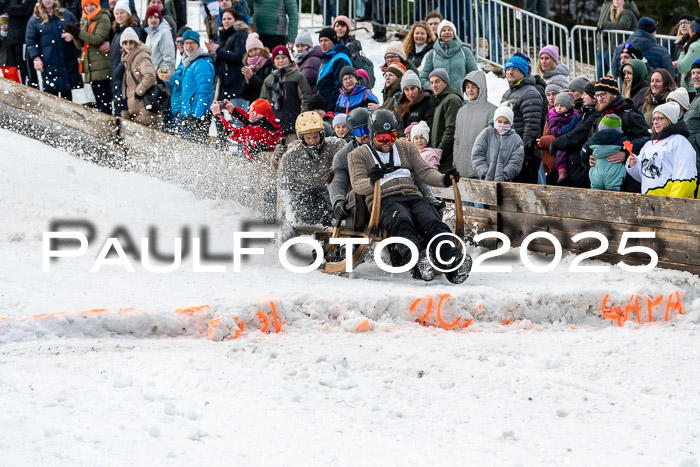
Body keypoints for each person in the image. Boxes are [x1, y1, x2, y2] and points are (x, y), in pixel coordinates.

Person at [347, 109, 471, 284]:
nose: (387, 143)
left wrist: (443, 179)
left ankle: (453, 260)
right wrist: (371, 181)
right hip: (384, 200)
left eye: (391, 137)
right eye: (382, 138)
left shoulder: (405, 147)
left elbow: (424, 171)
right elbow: (357, 183)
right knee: (403, 221)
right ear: (372, 135)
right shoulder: (357, 155)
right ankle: (418, 261)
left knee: (431, 220)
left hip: (412, 195)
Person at [278, 111, 346, 226]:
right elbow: (286, 191)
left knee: (314, 194)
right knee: (271, 194)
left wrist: (335, 170)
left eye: (316, 137)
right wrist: (288, 218)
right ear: (301, 138)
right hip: (304, 206)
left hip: (332, 202)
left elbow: (349, 162)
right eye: (308, 138)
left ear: (322, 134)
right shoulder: (290, 156)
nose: (313, 142)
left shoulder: (337, 145)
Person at [588, 76, 650, 192]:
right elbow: (590, 143)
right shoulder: (598, 118)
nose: (599, 99)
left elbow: (647, 139)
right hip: (600, 182)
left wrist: (626, 154)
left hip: (627, 182)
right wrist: (589, 157)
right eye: (597, 95)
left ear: (614, 94)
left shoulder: (629, 115)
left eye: (603, 94)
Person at [627, 102, 698, 197]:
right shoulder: (648, 145)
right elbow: (644, 176)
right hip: (650, 202)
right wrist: (634, 165)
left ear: (669, 120)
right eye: (654, 118)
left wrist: (673, 202)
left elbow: (685, 175)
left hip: (669, 203)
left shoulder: (679, 142)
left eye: (660, 118)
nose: (655, 122)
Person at [159, 29, 214, 144]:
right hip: (187, 115)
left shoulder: (202, 63)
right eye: (186, 43)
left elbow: (205, 92)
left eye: (192, 43)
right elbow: (183, 87)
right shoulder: (188, 63)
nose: (189, 46)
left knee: (198, 153)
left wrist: (198, 117)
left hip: (197, 116)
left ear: (197, 44)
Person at [501, 53, 545, 184]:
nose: (510, 72)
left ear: (523, 72)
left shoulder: (530, 92)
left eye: (515, 69)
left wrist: (524, 155)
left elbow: (531, 127)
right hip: (510, 154)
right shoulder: (507, 93)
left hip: (526, 157)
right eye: (508, 69)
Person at [24, 0, 81, 99]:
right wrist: (36, 58)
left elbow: (78, 28)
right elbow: (31, 41)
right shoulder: (35, 19)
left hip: (66, 58)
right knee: (52, 93)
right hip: (49, 61)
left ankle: (68, 114)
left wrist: (72, 35)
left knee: (67, 93)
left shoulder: (65, 14)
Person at [63, 0, 112, 114]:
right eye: (86, 6)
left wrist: (78, 32)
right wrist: (75, 35)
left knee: (105, 102)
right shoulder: (85, 19)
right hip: (91, 67)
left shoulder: (103, 18)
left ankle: (108, 127)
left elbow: (97, 39)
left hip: (102, 65)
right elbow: (80, 45)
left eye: (91, 5)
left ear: (97, 5)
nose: (89, 8)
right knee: (98, 103)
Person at [549, 83, 601, 188]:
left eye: (585, 94)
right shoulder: (584, 113)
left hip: (581, 168)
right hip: (574, 165)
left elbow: (576, 136)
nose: (582, 97)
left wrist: (555, 143)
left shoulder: (593, 115)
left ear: (594, 97)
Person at [453, 70, 496, 180]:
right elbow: (457, 140)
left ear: (481, 88)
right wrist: (455, 162)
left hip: (481, 171)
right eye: (467, 87)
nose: (470, 90)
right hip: (461, 170)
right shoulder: (461, 111)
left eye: (474, 86)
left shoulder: (492, 111)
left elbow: (493, 144)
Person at [260, 44, 311, 135]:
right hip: (274, 126)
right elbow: (263, 102)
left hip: (295, 124)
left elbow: (306, 98)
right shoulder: (269, 80)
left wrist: (303, 117)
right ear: (273, 61)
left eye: (283, 57)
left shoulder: (298, 76)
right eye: (277, 58)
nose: (280, 61)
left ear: (289, 59)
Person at [213, 97, 282, 159]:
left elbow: (228, 131)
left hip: (259, 166)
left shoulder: (256, 131)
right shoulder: (270, 121)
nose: (248, 113)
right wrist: (233, 109)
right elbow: (251, 119)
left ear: (257, 116)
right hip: (268, 157)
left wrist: (217, 115)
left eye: (250, 111)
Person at [419, 19, 478, 91]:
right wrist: (433, 89)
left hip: (461, 99)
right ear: (439, 34)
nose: (447, 32)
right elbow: (424, 78)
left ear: (454, 33)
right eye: (443, 30)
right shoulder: (432, 54)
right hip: (440, 99)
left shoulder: (465, 51)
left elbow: (475, 75)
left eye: (449, 30)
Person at [120, 27, 161, 128]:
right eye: (125, 43)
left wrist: (138, 92)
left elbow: (150, 76)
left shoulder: (141, 56)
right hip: (138, 107)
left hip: (146, 107)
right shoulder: (129, 58)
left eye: (131, 42)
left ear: (136, 43)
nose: (128, 45)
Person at [471, 105, 524, 182]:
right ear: (495, 120)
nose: (502, 125)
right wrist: (484, 173)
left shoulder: (516, 139)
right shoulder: (486, 133)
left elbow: (516, 161)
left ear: (511, 123)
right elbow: (477, 155)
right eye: (499, 121)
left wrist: (505, 175)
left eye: (506, 122)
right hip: (485, 181)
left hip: (506, 183)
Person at [611, 17, 675, 80]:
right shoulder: (661, 51)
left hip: (626, 88)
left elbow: (614, 71)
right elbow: (670, 74)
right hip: (652, 88)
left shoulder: (619, 49)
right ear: (653, 31)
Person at [207, 7, 248, 105]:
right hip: (225, 85)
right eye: (224, 19)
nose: (226, 21)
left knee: (238, 117)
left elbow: (240, 57)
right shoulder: (222, 37)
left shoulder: (240, 35)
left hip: (238, 84)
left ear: (236, 20)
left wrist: (218, 50)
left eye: (229, 19)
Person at [109, 0, 143, 115]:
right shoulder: (118, 31)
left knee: (125, 112)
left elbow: (132, 54)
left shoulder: (132, 30)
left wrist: (119, 69)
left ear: (128, 14)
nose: (119, 16)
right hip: (118, 77)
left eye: (122, 13)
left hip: (126, 76)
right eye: (117, 13)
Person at [428, 67, 463, 173]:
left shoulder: (451, 99)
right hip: (441, 155)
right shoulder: (441, 100)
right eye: (431, 82)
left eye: (437, 81)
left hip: (448, 157)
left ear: (446, 83)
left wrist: (439, 152)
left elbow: (451, 129)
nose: (434, 85)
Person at [582, 114, 629, 191]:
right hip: (614, 174)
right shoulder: (622, 140)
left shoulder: (592, 140)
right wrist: (626, 154)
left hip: (596, 174)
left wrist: (588, 157)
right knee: (615, 194)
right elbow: (633, 147)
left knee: (595, 194)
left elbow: (583, 152)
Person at [595, 0, 639, 79]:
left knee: (617, 73)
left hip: (621, 48)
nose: (617, 0)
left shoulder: (627, 12)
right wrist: (600, 43)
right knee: (601, 73)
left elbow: (622, 26)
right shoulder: (612, 8)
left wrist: (604, 25)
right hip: (610, 47)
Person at [545, 92, 580, 183]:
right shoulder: (553, 118)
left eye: (562, 105)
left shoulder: (575, 114)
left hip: (572, 141)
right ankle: (562, 173)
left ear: (568, 106)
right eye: (557, 105)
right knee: (561, 154)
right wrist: (568, 128)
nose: (558, 108)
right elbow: (556, 132)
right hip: (561, 140)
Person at [0, 0, 35, 86]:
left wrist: (8, 8)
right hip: (10, 38)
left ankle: (29, 89)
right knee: (9, 68)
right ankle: (13, 91)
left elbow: (25, 10)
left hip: (23, 38)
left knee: (25, 68)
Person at [316, 27, 351, 112]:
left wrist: (330, 110)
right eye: (321, 41)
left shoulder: (340, 59)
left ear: (334, 41)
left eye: (326, 40)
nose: (323, 44)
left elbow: (339, 87)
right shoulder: (326, 58)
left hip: (334, 109)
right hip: (324, 107)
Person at [395, 69, 435, 134]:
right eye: (406, 89)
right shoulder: (400, 104)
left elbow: (430, 128)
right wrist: (401, 138)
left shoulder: (427, 102)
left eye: (413, 88)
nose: (410, 93)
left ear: (418, 88)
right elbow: (397, 127)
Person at [239, 32, 272, 102]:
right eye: (250, 51)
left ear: (261, 49)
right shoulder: (250, 67)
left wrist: (252, 77)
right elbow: (245, 96)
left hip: (267, 105)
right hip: (255, 106)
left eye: (256, 49)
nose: (253, 53)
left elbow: (267, 90)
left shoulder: (270, 63)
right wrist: (247, 82)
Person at [144, 5, 174, 71]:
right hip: (151, 74)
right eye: (151, 17)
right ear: (147, 19)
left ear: (159, 19)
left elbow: (169, 59)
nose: (153, 20)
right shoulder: (150, 33)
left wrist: (161, 74)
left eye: (156, 17)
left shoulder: (164, 33)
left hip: (160, 76)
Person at [676, 18, 700, 101]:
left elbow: (682, 67)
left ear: (693, 31)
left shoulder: (695, 46)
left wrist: (683, 51)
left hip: (692, 88)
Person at [683, 59, 700, 171]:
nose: (695, 76)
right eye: (693, 73)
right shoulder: (696, 98)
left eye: (699, 73)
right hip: (693, 158)